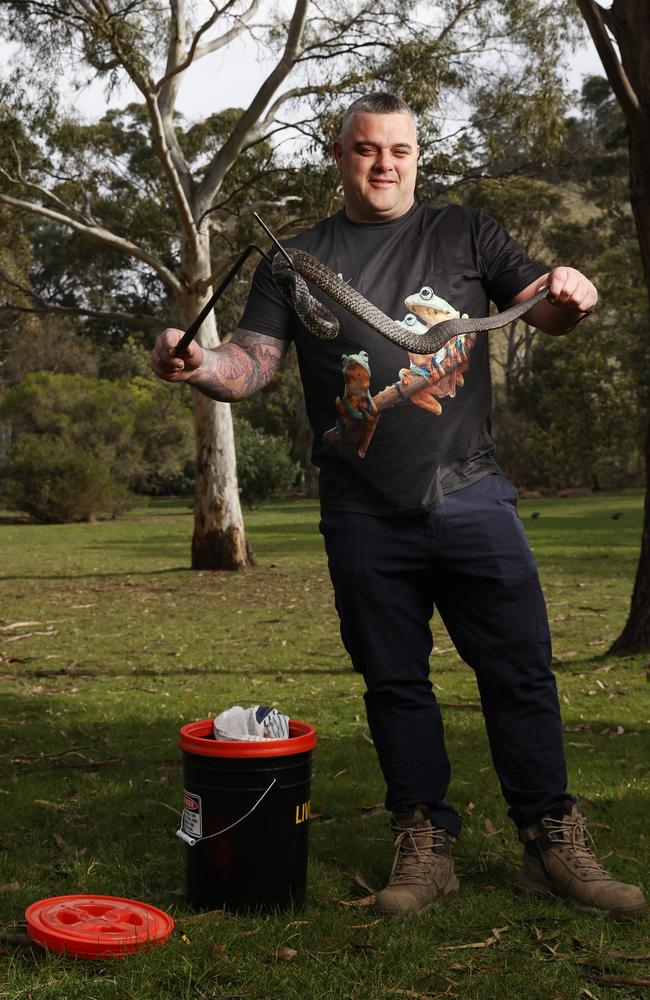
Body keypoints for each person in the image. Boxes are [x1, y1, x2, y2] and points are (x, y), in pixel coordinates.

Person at [151, 93, 647, 918]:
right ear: (339, 155)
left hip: (472, 493)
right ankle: (424, 845)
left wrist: (569, 290)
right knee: (395, 682)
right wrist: (199, 364)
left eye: (400, 151)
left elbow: (546, 310)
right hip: (362, 510)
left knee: (520, 673)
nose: (384, 164)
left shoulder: (465, 232)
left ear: (418, 156)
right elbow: (251, 364)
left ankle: (553, 841)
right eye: (366, 150)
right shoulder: (297, 258)